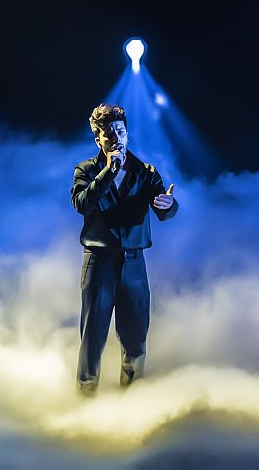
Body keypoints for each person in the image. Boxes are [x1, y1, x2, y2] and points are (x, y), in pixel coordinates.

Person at [71, 103, 178, 395]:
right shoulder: (87, 170)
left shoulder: (145, 172)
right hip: (99, 262)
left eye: (120, 131)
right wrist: (107, 172)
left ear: (127, 133)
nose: (116, 137)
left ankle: (131, 402)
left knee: (135, 338)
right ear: (98, 140)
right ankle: (85, 397)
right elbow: (82, 204)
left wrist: (169, 206)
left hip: (133, 264)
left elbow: (164, 207)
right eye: (109, 134)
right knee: (93, 335)